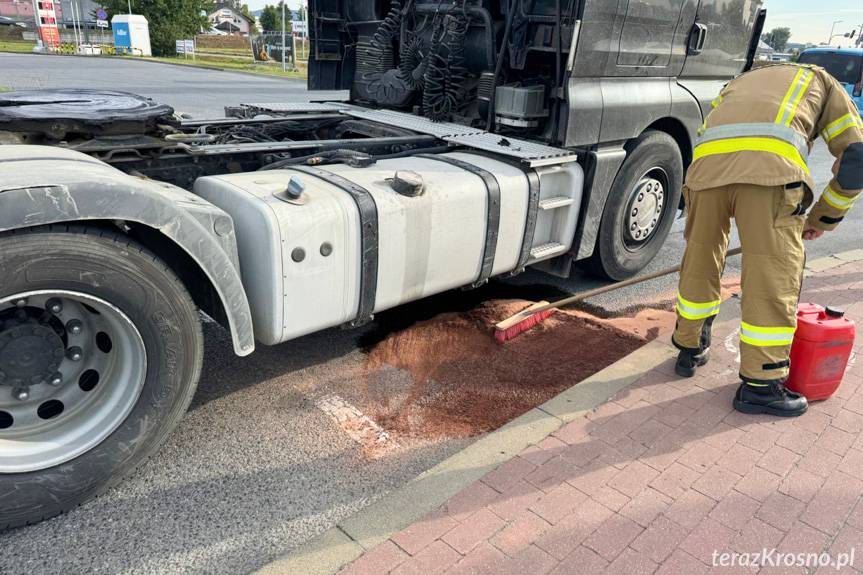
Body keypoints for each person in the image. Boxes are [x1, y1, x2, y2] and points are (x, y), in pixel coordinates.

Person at [672, 62, 863, 417]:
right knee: (771, 275)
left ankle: (689, 348)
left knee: (700, 259)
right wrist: (824, 216)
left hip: (703, 174)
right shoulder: (821, 80)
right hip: (770, 176)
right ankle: (761, 386)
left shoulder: (740, 81)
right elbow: (856, 155)